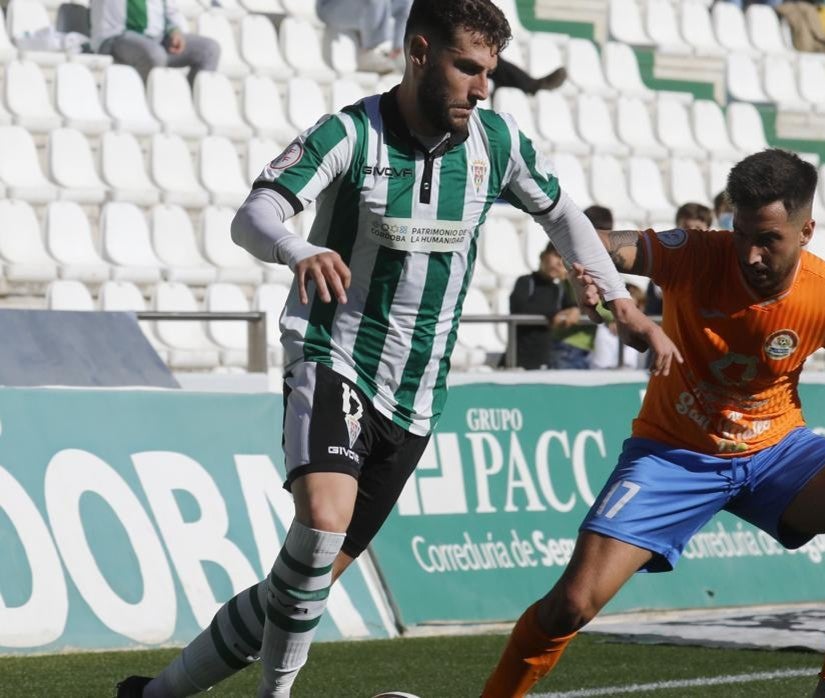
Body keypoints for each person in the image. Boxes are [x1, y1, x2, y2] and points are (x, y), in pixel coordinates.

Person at [115, 2, 677, 696]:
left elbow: (560, 212)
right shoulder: (351, 134)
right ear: (418, 53)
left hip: (416, 398)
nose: (481, 88)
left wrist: (617, 298)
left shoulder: (495, 143)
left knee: (299, 584)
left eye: (489, 73)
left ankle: (153, 694)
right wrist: (301, 248)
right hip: (334, 356)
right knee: (322, 525)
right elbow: (254, 213)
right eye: (467, 68)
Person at [480, 149, 825, 698]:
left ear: (807, 230)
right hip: (673, 453)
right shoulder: (697, 255)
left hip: (775, 448)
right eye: (741, 235)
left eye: (769, 241)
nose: (750, 254)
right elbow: (603, 244)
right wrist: (587, 272)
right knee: (572, 603)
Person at [89, 0, 220, 83]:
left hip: (158, 39)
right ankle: (144, 102)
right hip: (118, 37)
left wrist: (175, 30)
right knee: (154, 55)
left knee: (209, 50)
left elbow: (170, 9)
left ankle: (192, 107)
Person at [509, 243, 582, 370]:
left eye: (564, 261)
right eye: (556, 256)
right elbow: (519, 309)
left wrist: (574, 310)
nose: (559, 264)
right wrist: (553, 315)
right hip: (519, 360)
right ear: (543, 256)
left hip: (545, 361)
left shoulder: (558, 289)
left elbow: (571, 305)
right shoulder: (526, 281)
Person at [646, 203, 715, 316]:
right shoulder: (664, 260)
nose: (692, 233)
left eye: (698, 228)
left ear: (708, 229)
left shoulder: (716, 261)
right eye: (686, 228)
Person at [590, 283, 649, 369]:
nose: (635, 312)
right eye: (629, 307)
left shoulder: (647, 332)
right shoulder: (605, 331)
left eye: (638, 307)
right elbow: (601, 367)